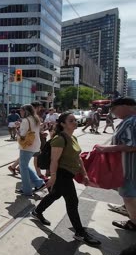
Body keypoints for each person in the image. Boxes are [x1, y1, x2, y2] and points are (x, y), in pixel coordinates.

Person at [32, 112, 101, 246]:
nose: (75, 122)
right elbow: (54, 160)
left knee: (55, 195)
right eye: (71, 121)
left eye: (75, 120)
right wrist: (52, 177)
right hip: (61, 174)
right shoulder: (59, 139)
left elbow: (78, 157)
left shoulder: (73, 137)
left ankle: (37, 211)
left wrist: (85, 174)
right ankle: (80, 232)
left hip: (69, 173)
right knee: (72, 202)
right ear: (63, 124)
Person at [94, 97, 136, 232]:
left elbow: (131, 145)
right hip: (126, 166)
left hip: (129, 169)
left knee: (128, 195)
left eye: (113, 109)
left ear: (124, 106)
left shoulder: (131, 121)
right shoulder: (129, 120)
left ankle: (134, 222)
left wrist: (105, 149)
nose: (112, 112)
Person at [15, 104, 46, 196]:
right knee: (24, 165)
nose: (20, 112)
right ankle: (39, 183)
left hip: (27, 146)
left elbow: (22, 134)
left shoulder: (25, 120)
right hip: (35, 145)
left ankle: (27, 189)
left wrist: (17, 129)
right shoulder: (36, 119)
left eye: (21, 110)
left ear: (26, 111)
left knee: (23, 167)